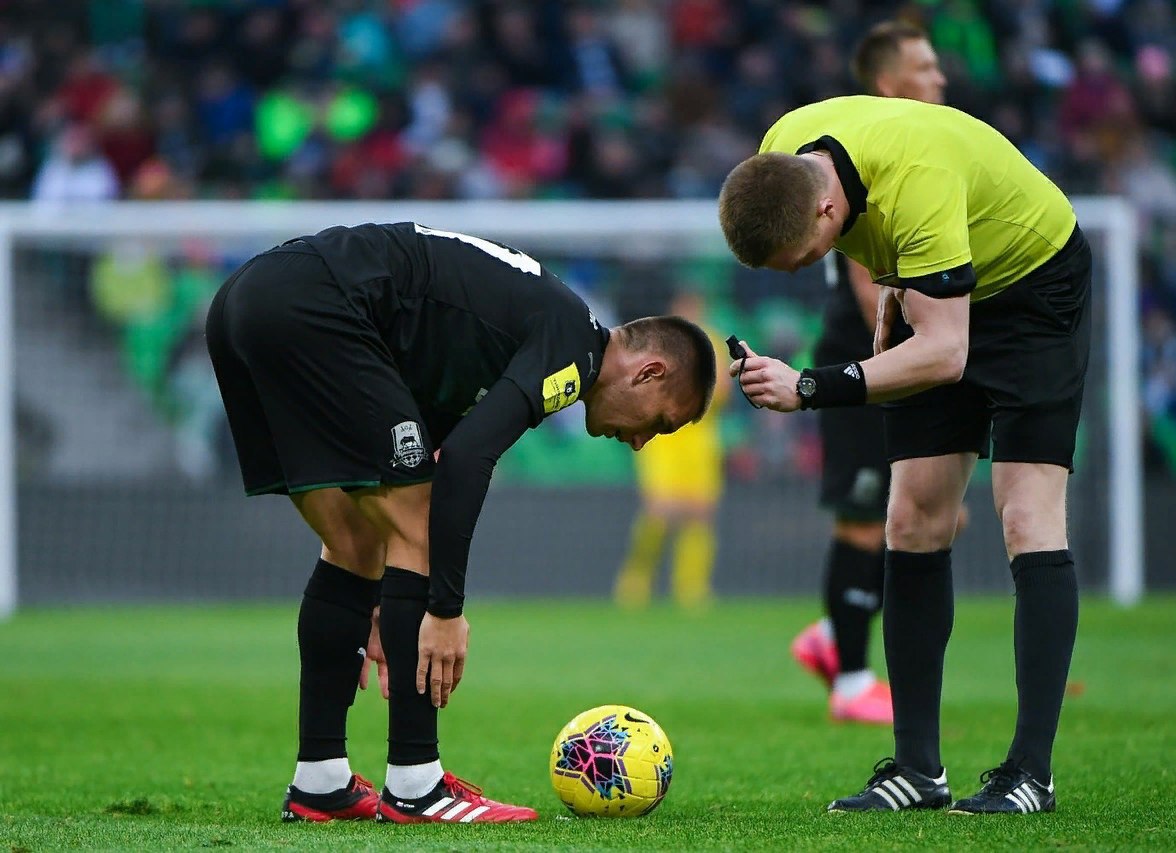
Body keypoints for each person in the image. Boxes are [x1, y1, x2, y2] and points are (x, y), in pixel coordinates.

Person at [205, 223, 716, 825]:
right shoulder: (573, 348)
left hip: (244, 303)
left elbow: (439, 453)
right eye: (657, 423)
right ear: (649, 372)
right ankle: (417, 786)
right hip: (320, 303)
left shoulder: (499, 338)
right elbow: (469, 463)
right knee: (412, 520)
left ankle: (319, 782)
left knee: (352, 544)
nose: (639, 442)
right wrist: (443, 612)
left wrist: (385, 600)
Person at [719, 95, 1089, 815]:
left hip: (1035, 287)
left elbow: (946, 353)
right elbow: (888, 241)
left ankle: (1031, 774)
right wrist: (898, 279)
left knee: (1026, 515)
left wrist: (808, 386)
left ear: (824, 213)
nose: (800, 273)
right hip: (944, 279)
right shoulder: (782, 154)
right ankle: (920, 768)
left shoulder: (914, 182)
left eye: (805, 259)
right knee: (912, 518)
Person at [789, 21, 957, 727]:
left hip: (900, 363)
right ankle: (852, 679)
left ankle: (833, 636)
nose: (940, 77)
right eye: (925, 66)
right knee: (867, 521)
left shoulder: (917, 154)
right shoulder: (869, 158)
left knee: (915, 518)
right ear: (891, 85)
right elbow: (872, 292)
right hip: (866, 358)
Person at [614, 290, 727, 610]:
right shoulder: (659, 343)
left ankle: (692, 588)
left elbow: (723, 393)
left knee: (700, 512)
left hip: (699, 436)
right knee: (660, 510)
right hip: (663, 436)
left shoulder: (714, 344)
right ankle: (635, 581)